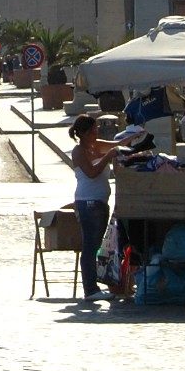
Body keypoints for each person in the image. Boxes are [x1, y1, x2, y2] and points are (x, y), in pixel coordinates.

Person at [67, 115, 135, 301]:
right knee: (90, 245)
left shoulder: (94, 146)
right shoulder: (78, 151)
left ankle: (94, 286)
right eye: (91, 131)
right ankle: (90, 289)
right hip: (87, 202)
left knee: (96, 245)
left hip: (100, 202)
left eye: (96, 129)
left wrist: (136, 136)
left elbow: (117, 143)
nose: (95, 134)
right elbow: (91, 173)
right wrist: (108, 156)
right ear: (81, 133)